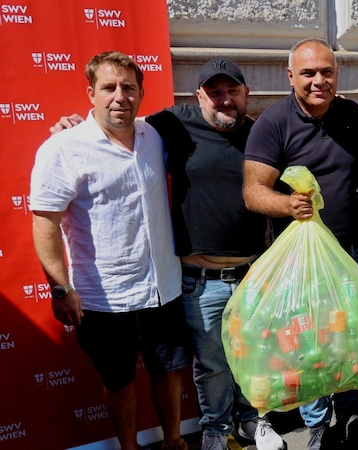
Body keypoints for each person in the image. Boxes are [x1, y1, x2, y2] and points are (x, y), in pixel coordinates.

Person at [48, 57, 283, 450]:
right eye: (215, 92)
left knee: (256, 355)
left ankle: (253, 421)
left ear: (247, 95)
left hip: (253, 275)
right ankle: (215, 428)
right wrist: (72, 124)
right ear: (198, 97)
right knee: (211, 366)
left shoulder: (264, 135)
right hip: (197, 281)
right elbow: (114, 123)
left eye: (232, 91)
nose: (224, 100)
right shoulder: (170, 125)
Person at [30, 51, 190, 450]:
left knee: (169, 371)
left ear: (140, 93)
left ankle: (174, 442)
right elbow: (45, 221)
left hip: (162, 287)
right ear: (91, 93)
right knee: (118, 380)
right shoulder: (63, 148)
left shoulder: (155, 135)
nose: (120, 96)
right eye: (109, 87)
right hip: (104, 297)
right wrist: (60, 289)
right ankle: (129, 447)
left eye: (129, 87)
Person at [242, 37, 358, 450]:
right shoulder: (274, 122)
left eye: (327, 72)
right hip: (302, 261)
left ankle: (350, 410)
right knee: (308, 341)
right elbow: (253, 192)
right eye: (309, 73)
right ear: (291, 77)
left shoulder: (352, 114)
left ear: (337, 74)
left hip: (350, 251)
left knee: (350, 335)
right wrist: (287, 203)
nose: (319, 81)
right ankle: (316, 420)